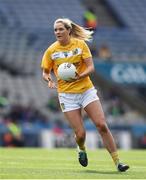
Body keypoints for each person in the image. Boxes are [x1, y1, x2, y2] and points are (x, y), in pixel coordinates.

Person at [41, 18, 129, 172]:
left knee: (102, 125)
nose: (57, 32)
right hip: (67, 95)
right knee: (80, 133)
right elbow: (45, 71)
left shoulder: (80, 45)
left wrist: (79, 76)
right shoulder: (51, 50)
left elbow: (91, 67)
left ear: (68, 30)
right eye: (55, 30)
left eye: (60, 29)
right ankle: (81, 148)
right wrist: (49, 80)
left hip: (86, 90)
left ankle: (118, 162)